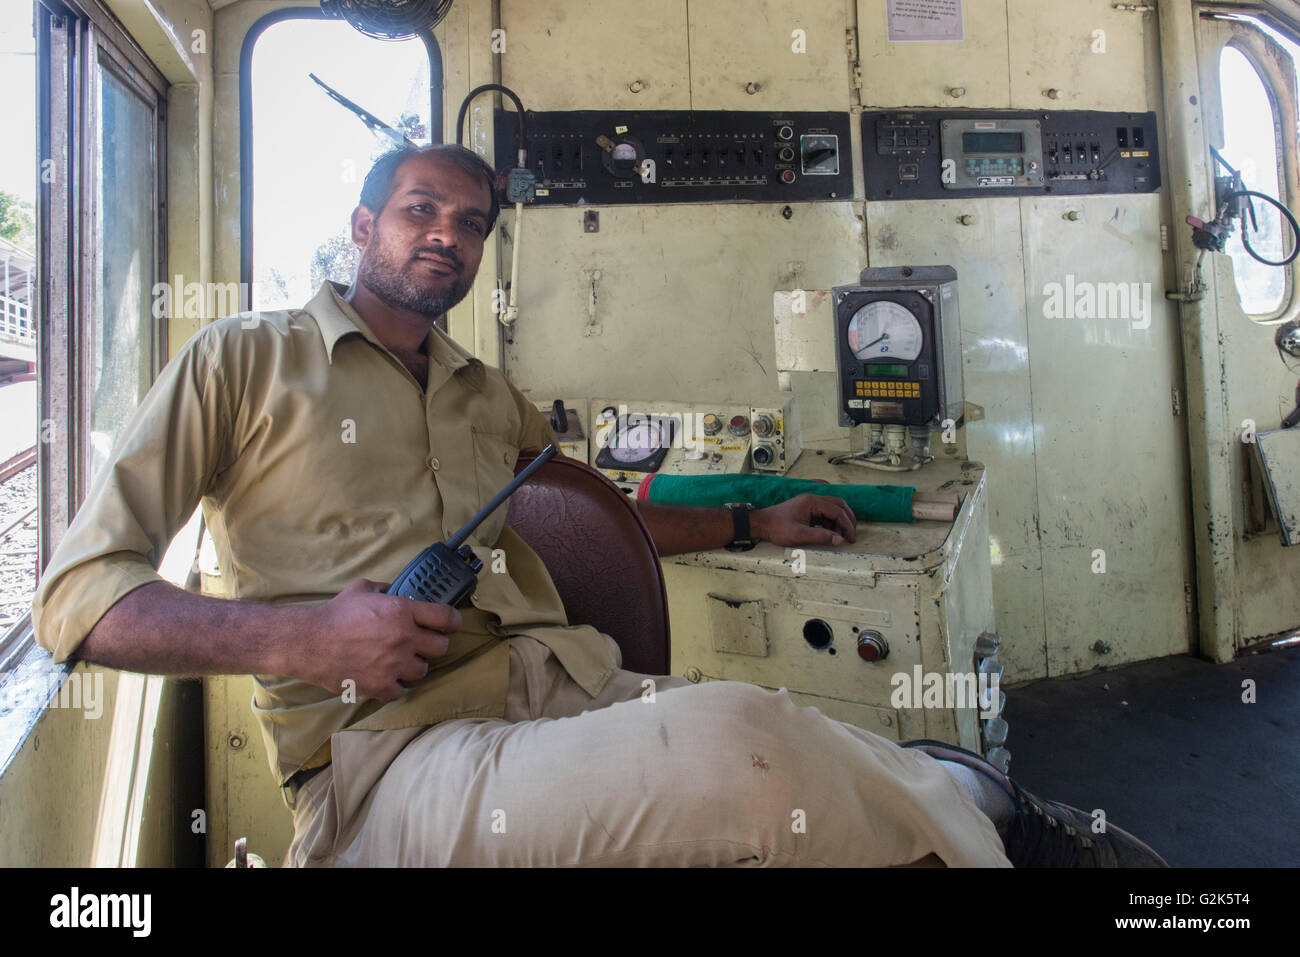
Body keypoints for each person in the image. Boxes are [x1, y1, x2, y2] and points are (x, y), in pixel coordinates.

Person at [32, 143, 1166, 867]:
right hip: (383, 760)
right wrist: (304, 634)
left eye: (471, 223)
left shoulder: (485, 397)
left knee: (808, 735)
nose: (446, 235)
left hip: (557, 684)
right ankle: (997, 822)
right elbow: (77, 598)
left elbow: (590, 516)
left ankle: (974, 808)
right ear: (362, 226)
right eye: (420, 209)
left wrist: (747, 522)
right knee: (745, 750)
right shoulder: (242, 362)